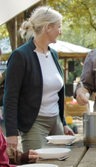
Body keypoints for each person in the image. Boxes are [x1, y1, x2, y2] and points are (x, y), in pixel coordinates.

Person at [3, 6, 74, 153]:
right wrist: (11, 133)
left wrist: (64, 123)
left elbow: (58, 93)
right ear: (48, 27)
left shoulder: (53, 54)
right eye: (58, 27)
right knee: (37, 165)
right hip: (34, 123)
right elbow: (10, 97)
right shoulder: (20, 56)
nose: (60, 31)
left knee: (62, 165)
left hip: (56, 122)